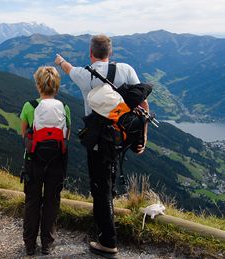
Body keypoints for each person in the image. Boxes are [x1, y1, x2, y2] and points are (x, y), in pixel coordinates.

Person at [54, 34, 149, 256]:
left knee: (100, 189)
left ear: (91, 52)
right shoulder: (126, 69)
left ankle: (108, 241)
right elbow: (142, 102)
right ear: (110, 52)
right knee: (108, 180)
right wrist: (142, 136)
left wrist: (59, 61)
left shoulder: (84, 74)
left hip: (99, 143)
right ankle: (108, 218)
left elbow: (68, 68)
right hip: (123, 138)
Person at [20, 66, 71, 256]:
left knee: (32, 201)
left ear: (38, 85)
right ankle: (47, 244)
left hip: (33, 161)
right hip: (57, 161)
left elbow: (24, 134)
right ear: (57, 86)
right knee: (52, 201)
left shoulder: (29, 106)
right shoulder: (64, 107)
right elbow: (67, 136)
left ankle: (29, 245)